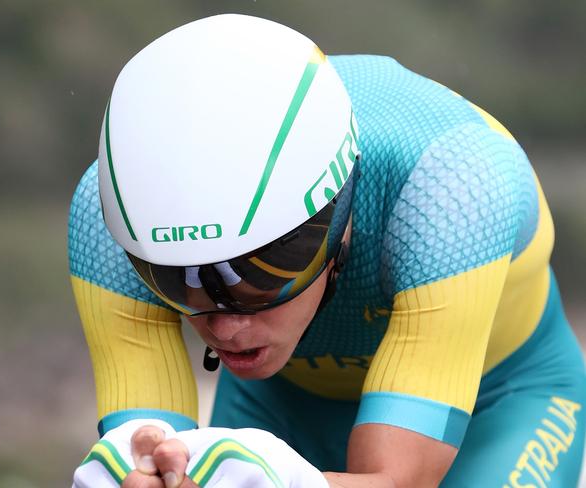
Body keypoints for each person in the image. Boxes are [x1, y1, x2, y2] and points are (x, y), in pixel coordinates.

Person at [69, 13, 586, 488]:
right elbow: (148, 464)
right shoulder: (109, 214)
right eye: (179, 280)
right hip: (283, 401)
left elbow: (398, 482)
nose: (225, 326)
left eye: (261, 274)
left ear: (339, 215)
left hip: (501, 399)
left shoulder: (450, 187)